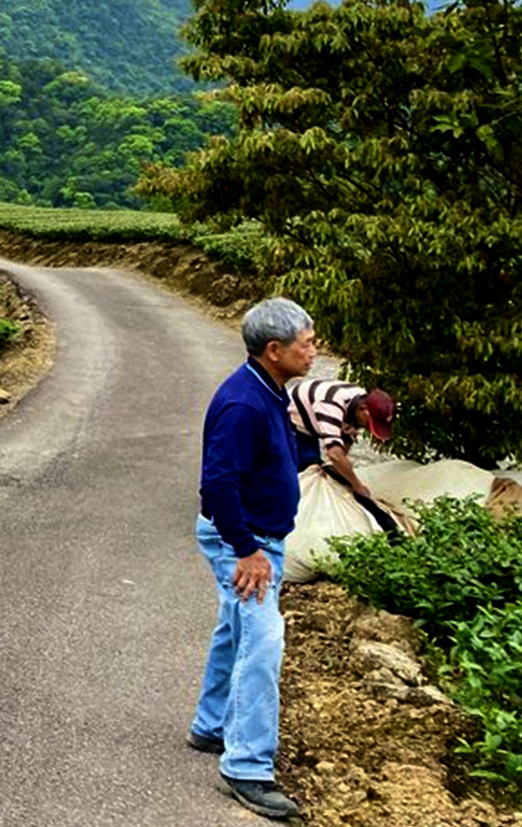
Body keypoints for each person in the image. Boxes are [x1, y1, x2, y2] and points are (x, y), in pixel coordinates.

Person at [190, 296, 315, 820]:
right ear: (274, 350)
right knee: (263, 644)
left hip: (259, 538)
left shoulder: (269, 389)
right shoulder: (245, 403)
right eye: (306, 344)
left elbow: (272, 455)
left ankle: (211, 725)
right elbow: (218, 482)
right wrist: (247, 551)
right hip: (245, 541)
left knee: (233, 630)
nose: (314, 351)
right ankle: (246, 767)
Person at [287, 377, 402, 537]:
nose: (369, 429)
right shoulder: (330, 405)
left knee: (331, 472)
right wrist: (357, 485)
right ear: (362, 409)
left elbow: (343, 448)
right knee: (304, 471)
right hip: (289, 419)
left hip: (313, 419)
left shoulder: (360, 405)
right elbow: (334, 454)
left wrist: (341, 475)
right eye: (369, 424)